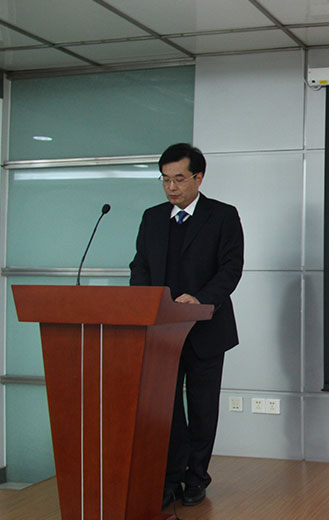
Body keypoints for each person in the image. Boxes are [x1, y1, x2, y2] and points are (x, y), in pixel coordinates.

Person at [129, 143, 244, 509]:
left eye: (179, 179)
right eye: (165, 180)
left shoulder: (222, 216)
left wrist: (200, 299)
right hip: (161, 332)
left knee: (202, 409)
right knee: (166, 411)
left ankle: (197, 478)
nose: (171, 187)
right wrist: (143, 304)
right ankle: (169, 478)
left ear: (198, 177)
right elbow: (140, 266)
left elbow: (231, 269)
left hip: (206, 331)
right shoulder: (152, 218)